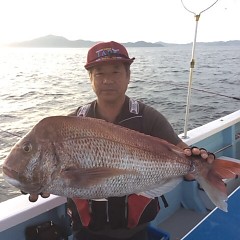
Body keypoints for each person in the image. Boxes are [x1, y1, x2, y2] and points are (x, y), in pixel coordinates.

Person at [27, 41, 215, 240]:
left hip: (136, 230)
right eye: (99, 73)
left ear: (128, 77)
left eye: (116, 72)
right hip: (85, 230)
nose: (108, 80)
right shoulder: (72, 124)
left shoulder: (148, 117)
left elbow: (181, 152)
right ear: (90, 78)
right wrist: (31, 178)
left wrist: (195, 165)